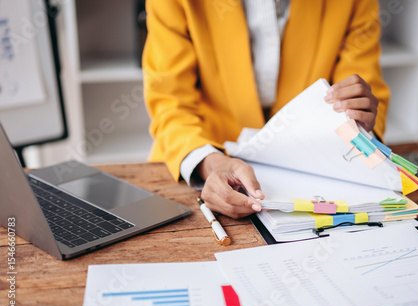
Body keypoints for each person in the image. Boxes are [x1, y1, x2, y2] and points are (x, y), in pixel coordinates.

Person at [143, 0, 390, 219]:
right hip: (203, 161)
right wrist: (210, 164)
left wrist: (359, 124)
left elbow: (363, 90)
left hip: (314, 171)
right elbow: (169, 101)